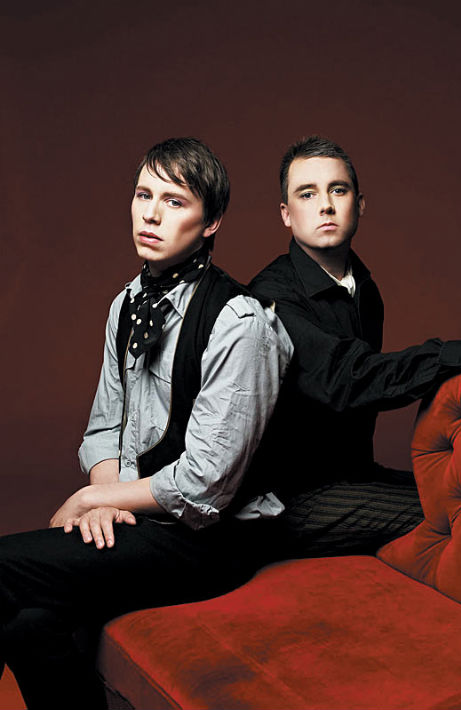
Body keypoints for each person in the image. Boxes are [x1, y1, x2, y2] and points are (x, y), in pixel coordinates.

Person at [0, 138, 292, 709]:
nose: (151, 214)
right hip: (141, 519)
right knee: (29, 624)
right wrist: (109, 503)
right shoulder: (127, 303)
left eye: (174, 201)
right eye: (143, 195)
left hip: (209, 541)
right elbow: (103, 429)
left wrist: (93, 499)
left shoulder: (240, 322)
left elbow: (206, 483)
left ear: (211, 222)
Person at [249, 135, 461, 560]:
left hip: (354, 478)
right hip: (290, 500)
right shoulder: (270, 296)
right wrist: (456, 353)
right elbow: (346, 379)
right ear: (286, 214)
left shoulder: (364, 289)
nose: (325, 205)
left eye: (338, 190)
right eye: (307, 194)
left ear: (359, 204)